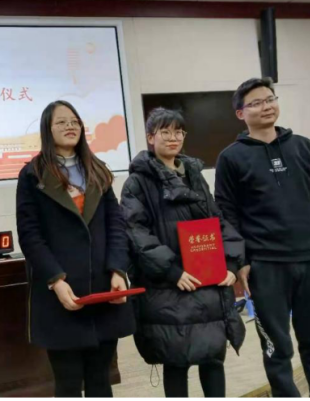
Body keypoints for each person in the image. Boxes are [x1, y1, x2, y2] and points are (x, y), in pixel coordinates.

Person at [215, 77, 310, 399]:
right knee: (277, 348)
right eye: (256, 103)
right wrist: (240, 262)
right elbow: (227, 216)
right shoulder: (231, 158)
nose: (266, 106)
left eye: (270, 99)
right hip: (265, 265)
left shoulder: (303, 146)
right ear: (241, 113)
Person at [121, 108, 246, 399]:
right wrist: (172, 271)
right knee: (175, 360)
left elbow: (217, 220)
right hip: (169, 287)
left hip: (208, 282)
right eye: (165, 132)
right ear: (150, 137)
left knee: (213, 357)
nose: (173, 138)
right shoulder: (137, 183)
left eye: (178, 132)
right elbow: (136, 233)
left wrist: (229, 263)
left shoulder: (194, 175)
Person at [16, 100, 135, 398]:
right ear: (47, 129)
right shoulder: (32, 174)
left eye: (75, 121)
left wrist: (118, 270)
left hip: (103, 290)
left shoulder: (98, 169)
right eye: (61, 122)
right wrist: (55, 280)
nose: (70, 127)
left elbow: (116, 225)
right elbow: (30, 236)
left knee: (101, 380)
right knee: (68, 383)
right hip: (61, 294)